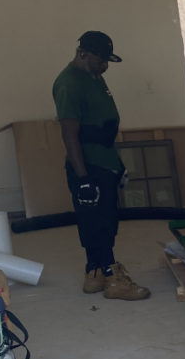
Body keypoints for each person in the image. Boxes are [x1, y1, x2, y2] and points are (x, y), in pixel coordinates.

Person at [53, 31, 150, 301]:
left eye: (107, 60)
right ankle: (113, 277)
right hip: (88, 165)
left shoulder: (94, 77)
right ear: (82, 53)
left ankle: (94, 275)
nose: (104, 65)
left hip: (104, 161)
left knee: (101, 219)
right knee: (100, 222)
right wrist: (83, 179)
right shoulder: (68, 84)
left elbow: (102, 125)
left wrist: (116, 164)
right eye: (100, 59)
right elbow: (69, 134)